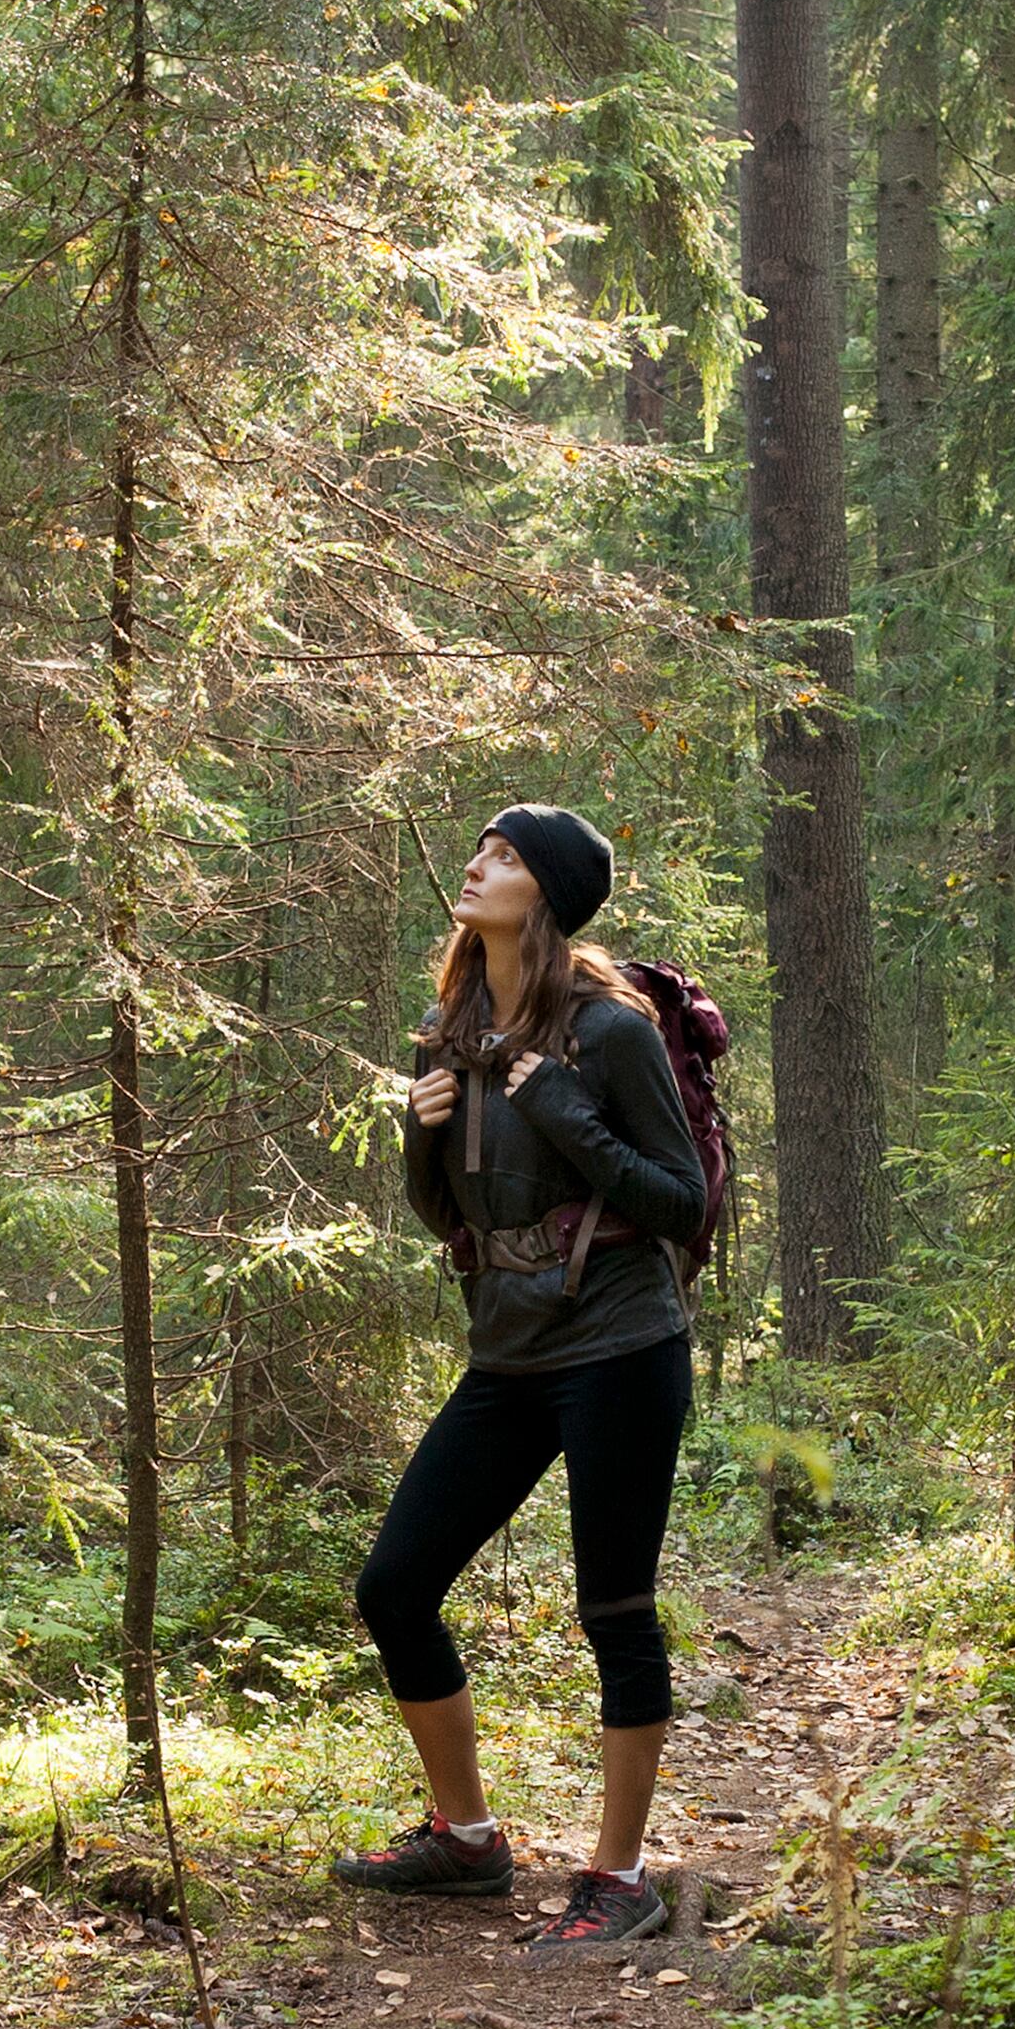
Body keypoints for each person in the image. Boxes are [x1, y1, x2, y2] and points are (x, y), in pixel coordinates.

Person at [330, 805, 714, 1950]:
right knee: (394, 1585)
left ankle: (620, 1877)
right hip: (506, 1352)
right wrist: (418, 1131)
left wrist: (564, 1112)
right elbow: (448, 1216)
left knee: (613, 1608)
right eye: (480, 849)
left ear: (539, 893)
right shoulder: (450, 1028)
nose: (475, 864)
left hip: (621, 1348)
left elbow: (677, 1201)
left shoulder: (610, 1030)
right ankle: (467, 1839)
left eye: (499, 857)